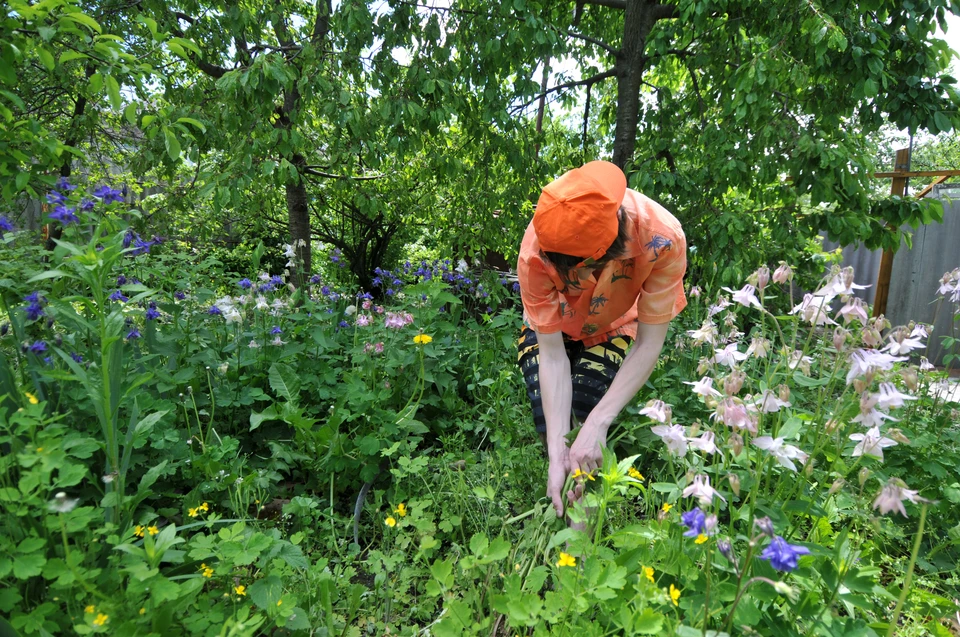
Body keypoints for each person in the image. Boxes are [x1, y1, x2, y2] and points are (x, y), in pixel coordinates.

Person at [516, 160, 687, 517]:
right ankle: (563, 508)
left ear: (606, 256)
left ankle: (577, 549)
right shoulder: (535, 254)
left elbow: (649, 343)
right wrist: (555, 455)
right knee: (555, 429)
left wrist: (597, 422)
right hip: (551, 327)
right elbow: (551, 357)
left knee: (585, 413)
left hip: (615, 325)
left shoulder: (664, 239)